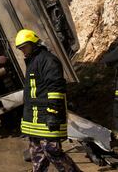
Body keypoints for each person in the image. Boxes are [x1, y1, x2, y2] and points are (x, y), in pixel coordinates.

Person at [15, 29, 81, 172]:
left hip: (47, 117)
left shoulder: (48, 60)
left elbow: (56, 88)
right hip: (36, 119)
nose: (23, 51)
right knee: (37, 154)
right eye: (20, 49)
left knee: (51, 150)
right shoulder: (33, 62)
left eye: (24, 47)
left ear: (34, 44)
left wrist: (53, 113)